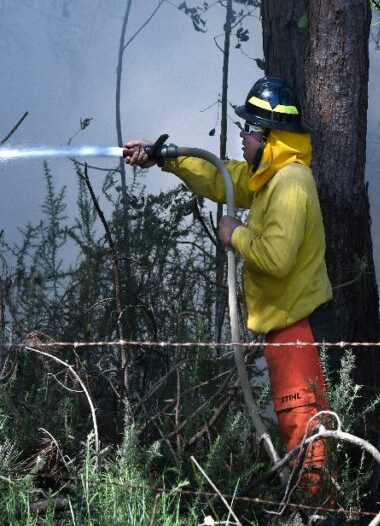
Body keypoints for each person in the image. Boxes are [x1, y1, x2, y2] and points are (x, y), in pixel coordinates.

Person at [123, 76, 335, 488]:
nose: (242, 135)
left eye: (249, 129)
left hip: (299, 332)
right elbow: (219, 176)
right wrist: (163, 157)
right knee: (300, 432)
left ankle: (323, 509)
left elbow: (276, 258)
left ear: (269, 137)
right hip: (288, 330)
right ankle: (312, 504)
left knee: (308, 433)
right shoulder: (270, 177)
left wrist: (234, 234)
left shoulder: (291, 181)